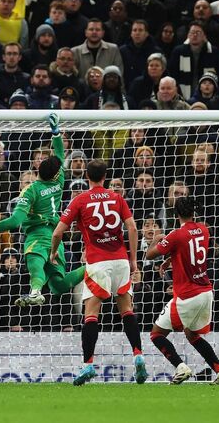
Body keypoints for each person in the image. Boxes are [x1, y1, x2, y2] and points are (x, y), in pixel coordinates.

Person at [50, 159, 146, 386]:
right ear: (106, 176)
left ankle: (88, 365)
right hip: (121, 260)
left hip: (97, 263)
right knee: (127, 311)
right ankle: (138, 355)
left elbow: (57, 233)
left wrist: (54, 253)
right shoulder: (117, 197)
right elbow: (132, 227)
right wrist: (133, 261)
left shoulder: (80, 199)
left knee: (91, 314)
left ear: (86, 175)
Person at [0, 114, 84, 307]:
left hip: (38, 235)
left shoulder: (30, 191)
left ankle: (35, 291)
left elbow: (14, 222)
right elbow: (60, 154)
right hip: (57, 237)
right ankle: (93, 267)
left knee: (35, 263)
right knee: (58, 285)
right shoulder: (60, 180)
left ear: (38, 169)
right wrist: (56, 133)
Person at [145, 196, 219, 385]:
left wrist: (156, 239)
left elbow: (149, 254)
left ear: (175, 214)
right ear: (194, 212)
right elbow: (191, 252)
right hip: (206, 292)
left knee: (156, 334)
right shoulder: (204, 230)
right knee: (192, 335)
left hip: (187, 295)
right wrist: (171, 259)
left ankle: (180, 367)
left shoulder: (176, 235)